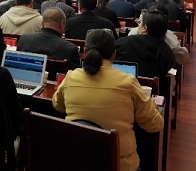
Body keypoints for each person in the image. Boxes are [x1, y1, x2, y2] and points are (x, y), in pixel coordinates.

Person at [53, 29, 163, 171]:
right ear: (113, 55)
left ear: (84, 53)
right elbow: (154, 125)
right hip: (119, 164)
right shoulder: (128, 81)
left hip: (77, 159)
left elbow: (57, 105)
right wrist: (152, 107)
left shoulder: (71, 77)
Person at [116, 8, 176, 92]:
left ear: (145, 28)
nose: (138, 25)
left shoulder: (124, 42)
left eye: (140, 23)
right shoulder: (167, 52)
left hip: (122, 89)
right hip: (152, 94)